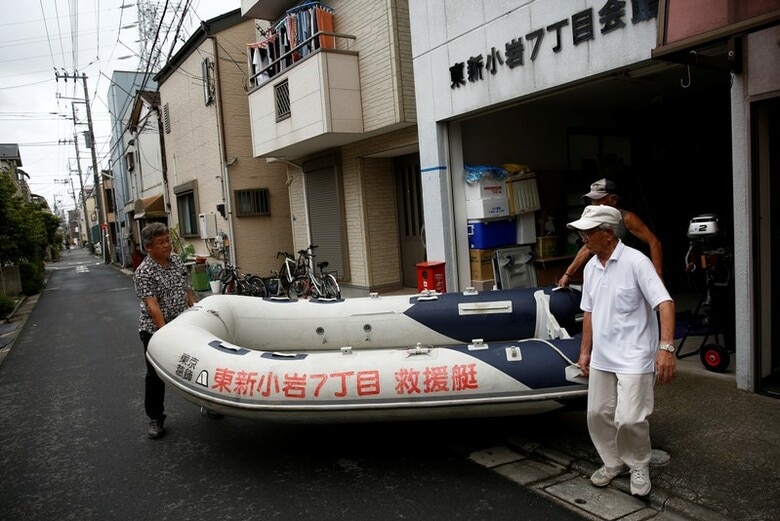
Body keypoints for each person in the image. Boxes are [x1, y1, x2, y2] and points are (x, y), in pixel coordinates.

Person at [567, 205, 676, 497]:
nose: (583, 239)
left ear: (607, 233)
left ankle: (639, 464)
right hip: (603, 355)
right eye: (581, 233)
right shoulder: (591, 267)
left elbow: (665, 303)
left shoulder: (636, 262)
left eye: (587, 232)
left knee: (630, 418)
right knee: (597, 414)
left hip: (635, 355)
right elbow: (588, 312)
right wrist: (585, 352)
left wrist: (666, 348)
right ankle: (614, 462)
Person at [134, 222, 197, 439]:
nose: (167, 245)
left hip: (184, 323)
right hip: (155, 330)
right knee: (155, 375)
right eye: (161, 243)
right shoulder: (143, 272)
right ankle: (155, 418)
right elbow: (153, 307)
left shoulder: (177, 260)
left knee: (198, 363)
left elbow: (186, 287)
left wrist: (196, 308)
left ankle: (210, 404)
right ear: (149, 247)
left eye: (167, 240)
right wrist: (167, 334)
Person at [558, 178, 662, 287]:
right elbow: (586, 248)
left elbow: (654, 243)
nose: (594, 204)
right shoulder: (595, 222)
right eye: (592, 201)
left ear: (613, 199)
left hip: (629, 272)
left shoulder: (627, 218)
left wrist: (657, 276)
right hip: (608, 272)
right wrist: (568, 274)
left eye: (598, 200)